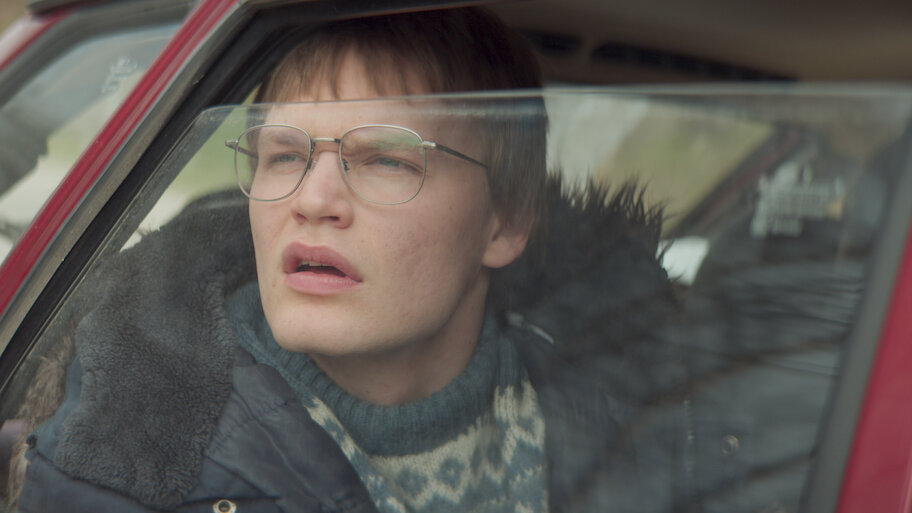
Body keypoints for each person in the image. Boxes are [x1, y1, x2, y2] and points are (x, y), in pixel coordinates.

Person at [9, 7, 676, 513]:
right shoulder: (119, 464)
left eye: (386, 159)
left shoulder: (649, 415)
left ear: (505, 221)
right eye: (285, 155)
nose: (313, 199)